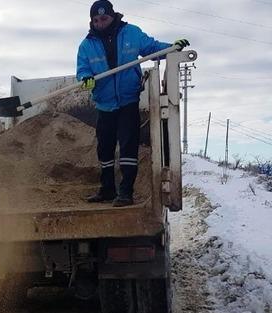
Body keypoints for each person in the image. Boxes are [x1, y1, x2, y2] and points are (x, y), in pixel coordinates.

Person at [77, 1, 189, 207]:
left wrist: (173, 48)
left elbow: (153, 48)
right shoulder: (86, 45)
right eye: (96, 20)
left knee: (128, 147)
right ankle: (107, 189)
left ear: (112, 16)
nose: (101, 23)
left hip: (128, 101)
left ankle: (126, 192)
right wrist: (86, 78)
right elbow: (82, 69)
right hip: (104, 103)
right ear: (92, 21)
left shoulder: (131, 33)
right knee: (105, 149)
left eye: (104, 18)